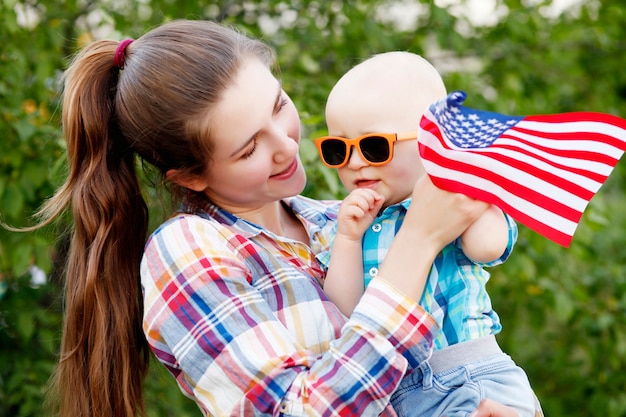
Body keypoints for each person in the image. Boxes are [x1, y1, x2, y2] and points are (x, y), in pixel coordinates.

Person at [32, 19, 522, 417]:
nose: (288, 146)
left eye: (279, 106)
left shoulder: (338, 221)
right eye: (249, 149)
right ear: (191, 177)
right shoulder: (190, 250)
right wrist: (417, 242)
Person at [317, 51, 541, 417]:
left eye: (374, 146)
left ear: (432, 140)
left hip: (468, 377)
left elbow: (487, 247)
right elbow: (343, 312)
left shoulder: (457, 198)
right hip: (396, 392)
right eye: (338, 149)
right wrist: (347, 240)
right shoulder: (346, 222)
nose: (355, 162)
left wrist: (470, 184)